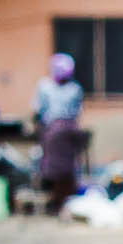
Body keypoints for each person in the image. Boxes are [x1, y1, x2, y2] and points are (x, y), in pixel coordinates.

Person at [33, 53, 85, 214]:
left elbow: (38, 111)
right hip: (56, 131)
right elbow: (38, 111)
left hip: (63, 132)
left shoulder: (73, 88)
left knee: (65, 168)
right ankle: (57, 200)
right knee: (55, 167)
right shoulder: (46, 86)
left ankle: (63, 201)